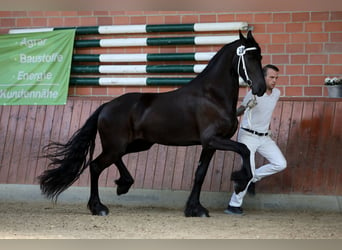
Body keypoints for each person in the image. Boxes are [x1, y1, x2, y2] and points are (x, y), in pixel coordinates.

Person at [224, 64, 287, 215]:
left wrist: (266, 128)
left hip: (264, 137)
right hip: (248, 137)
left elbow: (266, 113)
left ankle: (250, 178)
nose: (274, 81)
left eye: (276, 78)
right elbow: (236, 113)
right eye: (271, 77)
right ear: (263, 77)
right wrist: (246, 107)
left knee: (280, 164)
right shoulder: (253, 94)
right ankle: (233, 205)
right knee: (248, 171)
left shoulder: (276, 93)